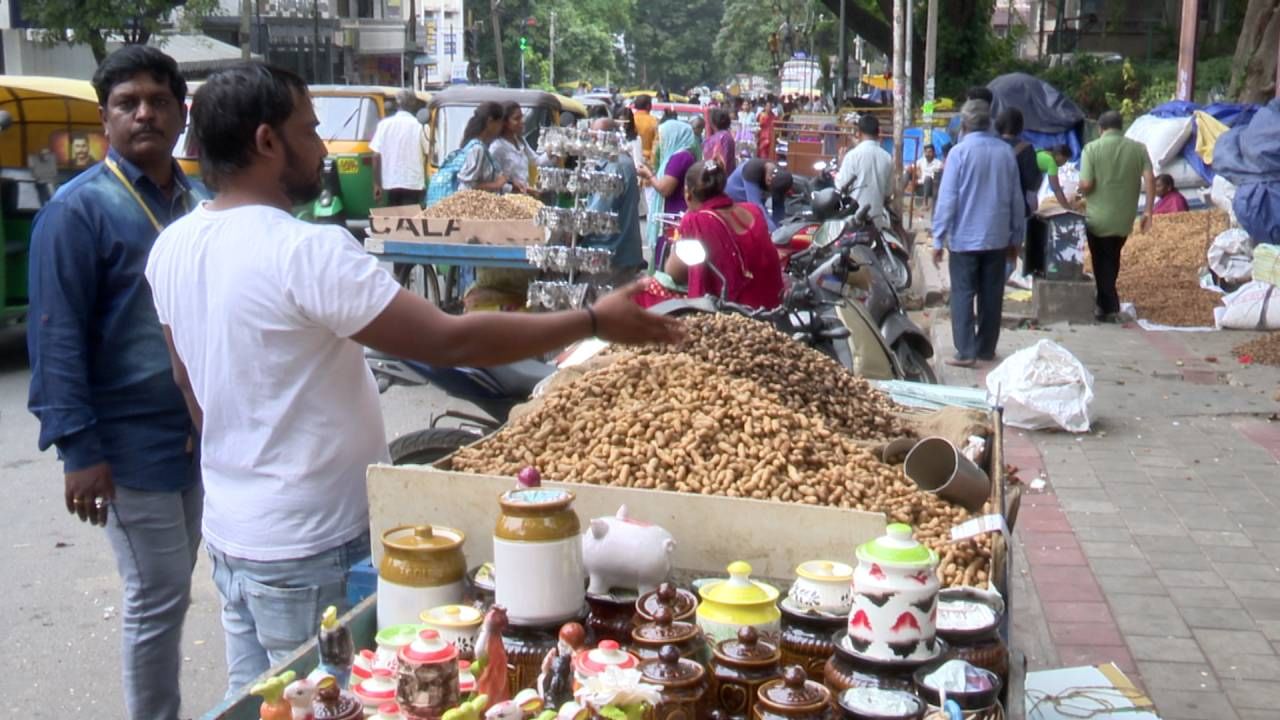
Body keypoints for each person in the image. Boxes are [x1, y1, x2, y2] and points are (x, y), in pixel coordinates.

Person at [144, 62, 682, 694]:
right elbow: (449, 339)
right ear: (267, 141)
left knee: (260, 700)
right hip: (313, 542)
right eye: (310, 130)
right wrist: (592, 318)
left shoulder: (173, 246)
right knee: (329, 698)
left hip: (233, 537)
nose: (323, 147)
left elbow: (190, 389)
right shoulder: (304, 251)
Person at [27, 46, 205, 720]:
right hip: (128, 445)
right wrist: (78, 450)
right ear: (105, 120)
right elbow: (56, 335)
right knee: (156, 595)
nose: (144, 113)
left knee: (172, 586)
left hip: (195, 435)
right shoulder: (79, 212)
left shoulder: (198, 200)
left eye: (159, 101)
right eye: (127, 103)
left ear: (181, 114)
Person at [930, 100, 1024, 368]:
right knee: (992, 294)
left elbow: (948, 199)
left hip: (964, 238)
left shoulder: (959, 153)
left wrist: (938, 238)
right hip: (997, 237)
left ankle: (966, 351)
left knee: (962, 293)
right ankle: (985, 349)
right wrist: (1016, 237)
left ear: (965, 124)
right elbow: (1016, 199)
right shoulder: (1005, 153)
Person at [664, 159, 783, 308]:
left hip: (735, 315)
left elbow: (674, 272)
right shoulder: (753, 210)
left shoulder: (695, 221)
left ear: (688, 193)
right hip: (773, 307)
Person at [1078, 110, 1155, 323]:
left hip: (1097, 218)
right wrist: (1148, 210)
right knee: (1112, 257)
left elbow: (1086, 184)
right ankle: (1106, 304)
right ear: (1120, 127)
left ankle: (1109, 306)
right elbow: (1150, 179)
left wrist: (1079, 193)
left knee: (1100, 259)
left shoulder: (1091, 149)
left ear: (1100, 128)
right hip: (1124, 217)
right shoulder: (1139, 149)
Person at [581, 118, 644, 282]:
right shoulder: (620, 161)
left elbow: (597, 215)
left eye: (596, 138)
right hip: (622, 252)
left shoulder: (613, 166)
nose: (592, 142)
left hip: (610, 253)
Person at [637, 119, 700, 260]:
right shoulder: (682, 155)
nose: (659, 142)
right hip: (675, 212)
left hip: (675, 214)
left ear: (674, 136)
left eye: (662, 138)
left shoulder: (680, 157)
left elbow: (665, 188)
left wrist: (648, 175)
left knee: (668, 256)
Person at [835, 114, 894, 230]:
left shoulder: (852, 156)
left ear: (859, 133)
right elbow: (888, 192)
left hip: (853, 221)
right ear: (878, 133)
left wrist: (840, 165)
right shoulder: (887, 157)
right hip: (876, 222)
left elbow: (841, 186)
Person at [369, 89, 426, 206]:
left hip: (391, 182)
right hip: (413, 183)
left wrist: (376, 184)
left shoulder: (384, 125)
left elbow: (375, 155)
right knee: (411, 220)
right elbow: (428, 151)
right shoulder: (419, 126)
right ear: (413, 104)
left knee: (394, 219)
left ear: (397, 103)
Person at [489, 101, 546, 194]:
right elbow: (493, 180)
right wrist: (516, 188)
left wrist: (553, 150)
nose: (522, 121)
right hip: (506, 202)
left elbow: (537, 161)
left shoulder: (520, 141)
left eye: (522, 117)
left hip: (523, 199)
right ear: (505, 123)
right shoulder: (497, 147)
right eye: (516, 119)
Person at [995, 108, 1042, 217]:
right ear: (1020, 127)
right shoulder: (1026, 148)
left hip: (989, 208)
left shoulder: (989, 146)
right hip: (1016, 207)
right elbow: (1032, 183)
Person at [725, 158, 792, 231]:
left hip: (750, 203)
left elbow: (779, 208)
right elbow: (756, 208)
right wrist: (773, 231)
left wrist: (780, 230)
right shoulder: (752, 169)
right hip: (731, 204)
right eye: (771, 190)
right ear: (769, 180)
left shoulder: (780, 177)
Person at [457, 102, 509, 192]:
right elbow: (467, 186)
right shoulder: (477, 149)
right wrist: (496, 185)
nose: (501, 128)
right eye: (500, 123)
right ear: (490, 122)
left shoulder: (482, 147)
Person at [1036, 144, 1074, 209]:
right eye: (1065, 160)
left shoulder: (1043, 152)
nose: (1064, 163)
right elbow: (1056, 189)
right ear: (1058, 155)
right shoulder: (1051, 162)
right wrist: (1068, 208)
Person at [906, 144, 943, 210]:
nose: (928, 154)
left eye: (930, 152)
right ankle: (898, 196)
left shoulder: (938, 163)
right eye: (926, 152)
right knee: (906, 174)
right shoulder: (921, 161)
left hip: (932, 189)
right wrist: (915, 171)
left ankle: (925, 204)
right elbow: (909, 168)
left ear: (933, 153)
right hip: (920, 188)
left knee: (927, 178)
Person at [702, 108, 737, 175]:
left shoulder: (719, 137)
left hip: (718, 177)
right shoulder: (727, 135)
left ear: (713, 122)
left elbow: (710, 161)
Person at [633, 94, 658, 166]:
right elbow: (656, 144)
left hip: (631, 159)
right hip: (647, 160)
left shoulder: (629, 119)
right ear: (648, 106)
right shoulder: (654, 121)